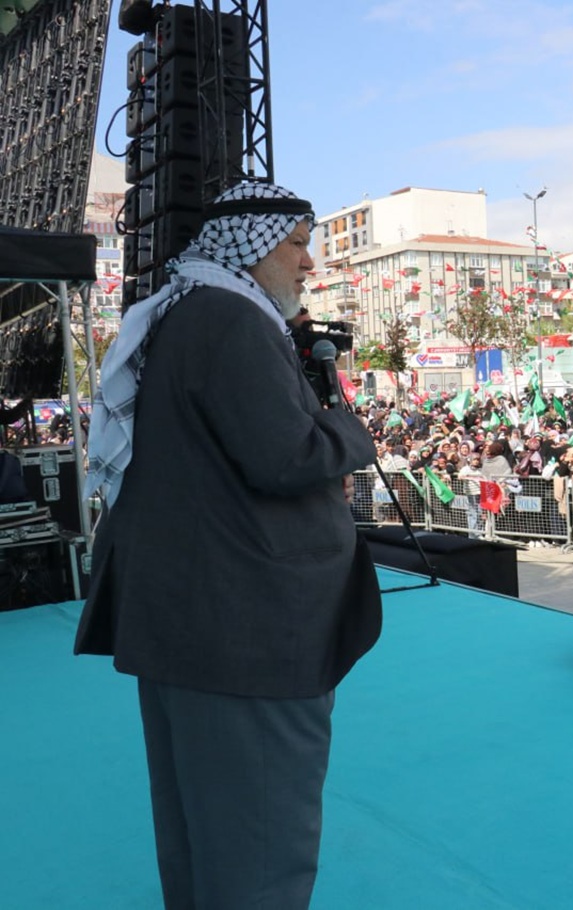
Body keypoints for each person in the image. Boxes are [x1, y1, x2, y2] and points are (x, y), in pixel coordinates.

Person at [75, 182, 381, 909]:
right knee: (260, 845)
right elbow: (285, 458)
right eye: (298, 244)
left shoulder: (189, 311)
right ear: (252, 245)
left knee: (199, 834)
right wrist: (350, 429)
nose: (309, 265)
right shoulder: (230, 321)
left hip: (190, 623)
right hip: (244, 635)